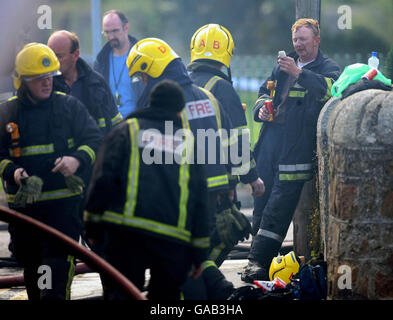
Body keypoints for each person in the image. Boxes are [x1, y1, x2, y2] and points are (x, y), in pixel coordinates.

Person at [125, 37, 248, 300]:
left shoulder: (159, 109)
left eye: (142, 77)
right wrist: (230, 192)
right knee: (199, 255)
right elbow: (231, 144)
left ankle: (212, 293)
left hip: (177, 202)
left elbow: (152, 163)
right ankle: (218, 292)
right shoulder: (209, 97)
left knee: (181, 261)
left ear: (153, 72)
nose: (141, 84)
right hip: (215, 198)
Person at [85, 80, 210, 300]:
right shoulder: (188, 142)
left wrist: (92, 226)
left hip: (125, 234)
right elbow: (200, 199)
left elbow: (103, 178)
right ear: (179, 111)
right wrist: (199, 253)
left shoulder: (126, 130)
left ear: (150, 103)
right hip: (172, 239)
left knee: (123, 294)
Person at [0, 43, 103, 300]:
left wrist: (76, 160)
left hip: (62, 212)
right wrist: (12, 172)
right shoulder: (7, 113)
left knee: (56, 280)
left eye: (50, 77)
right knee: (35, 277)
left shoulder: (70, 107)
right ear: (23, 81)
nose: (46, 83)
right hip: (25, 216)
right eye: (39, 79)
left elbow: (95, 140)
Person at [241, 18, 341, 283]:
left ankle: (257, 263)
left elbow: (331, 91)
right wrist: (261, 109)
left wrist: (300, 73)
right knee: (261, 202)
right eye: (296, 40)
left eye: (304, 40)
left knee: (279, 205)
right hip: (271, 142)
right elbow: (264, 92)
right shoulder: (281, 68)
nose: (299, 45)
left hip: (296, 149)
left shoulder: (327, 68)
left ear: (317, 40)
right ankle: (258, 260)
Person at [188, 24, 265, 265]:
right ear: (226, 56)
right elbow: (237, 139)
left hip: (186, 179)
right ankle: (201, 286)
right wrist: (252, 178)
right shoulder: (222, 88)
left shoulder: (185, 87)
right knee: (224, 234)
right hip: (219, 183)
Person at [48, 30, 123, 136]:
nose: (53, 61)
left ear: (75, 55)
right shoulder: (45, 86)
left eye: (59, 56)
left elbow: (115, 123)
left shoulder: (97, 83)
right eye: (50, 56)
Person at [94, 10, 144, 118]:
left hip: (139, 125)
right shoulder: (101, 61)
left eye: (115, 31)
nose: (111, 36)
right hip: (112, 129)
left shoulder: (142, 57)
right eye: (106, 32)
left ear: (126, 27)